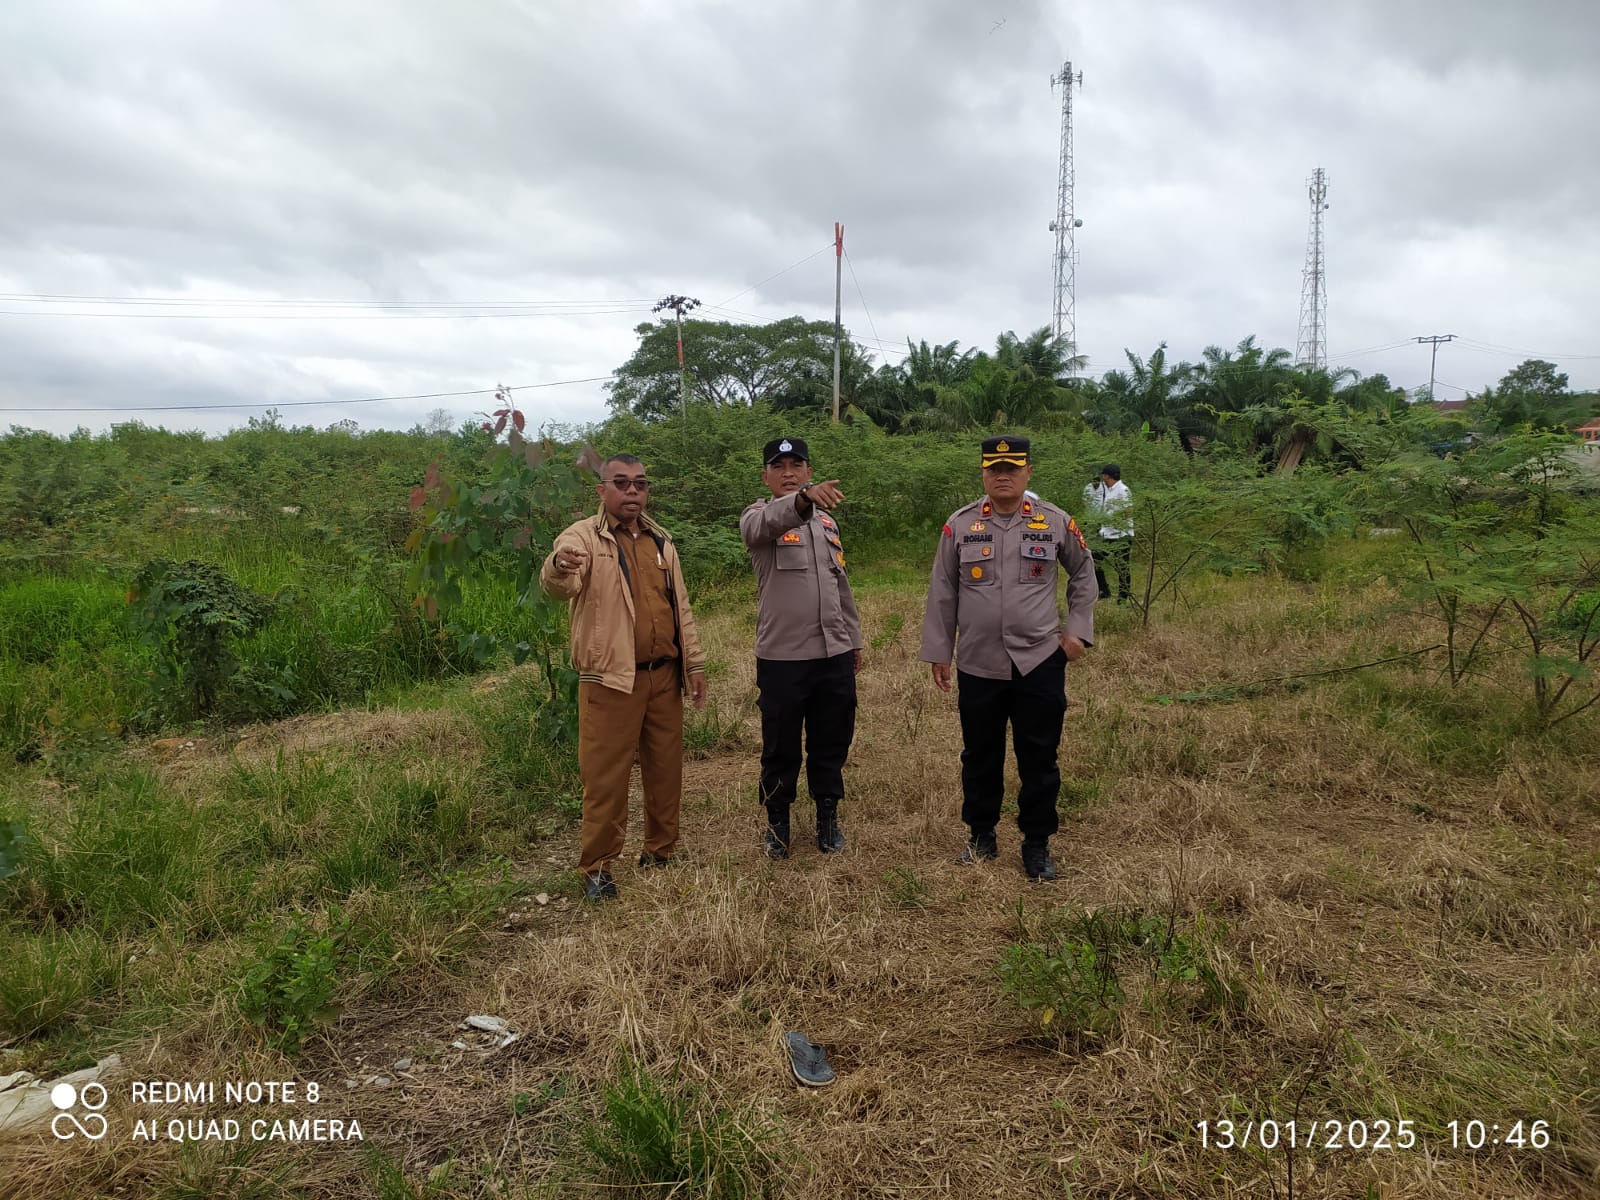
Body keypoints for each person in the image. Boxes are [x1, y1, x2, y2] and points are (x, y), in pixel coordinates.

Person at [920, 435, 1097, 881]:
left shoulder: (1054, 522)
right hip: (978, 663)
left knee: (1038, 757)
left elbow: (1084, 573)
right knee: (979, 755)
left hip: (1038, 661)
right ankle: (981, 836)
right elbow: (943, 592)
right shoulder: (959, 525)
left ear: (1028, 473)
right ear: (982, 473)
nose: (1003, 475)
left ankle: (1037, 844)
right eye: (994, 468)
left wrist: (1077, 632)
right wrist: (940, 651)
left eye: (1012, 468)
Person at [540, 454, 707, 903]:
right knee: (606, 777)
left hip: (662, 678)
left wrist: (693, 663)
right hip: (610, 680)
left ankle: (661, 849)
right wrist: (559, 565)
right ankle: (596, 867)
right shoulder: (582, 538)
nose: (633, 491)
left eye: (640, 484)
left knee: (665, 769)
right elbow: (560, 584)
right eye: (622, 483)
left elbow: (682, 608)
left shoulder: (660, 541)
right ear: (602, 491)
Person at [739, 436, 863, 859]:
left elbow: (840, 585)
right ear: (766, 476)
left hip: (833, 653)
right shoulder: (757, 517)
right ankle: (778, 822)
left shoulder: (827, 524)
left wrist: (854, 640)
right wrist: (804, 500)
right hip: (783, 658)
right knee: (781, 744)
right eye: (779, 466)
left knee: (832, 739)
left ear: (809, 471)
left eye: (797, 465)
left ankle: (828, 815)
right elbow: (768, 524)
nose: (788, 472)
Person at [1083, 463, 1133, 603]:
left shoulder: (1123, 490)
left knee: (1122, 567)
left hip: (1121, 535)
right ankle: (1104, 590)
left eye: (1104, 475)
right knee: (1094, 559)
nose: (1103, 478)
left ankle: (1123, 599)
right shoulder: (1109, 489)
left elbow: (1129, 511)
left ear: (1109, 476)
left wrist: (1112, 519)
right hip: (1107, 533)